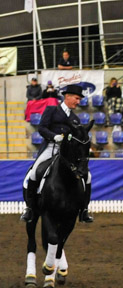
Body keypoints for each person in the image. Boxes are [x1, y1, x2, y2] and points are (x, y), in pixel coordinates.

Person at [20, 84, 93, 223]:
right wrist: (54, 137)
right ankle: (29, 208)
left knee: (87, 176)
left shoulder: (75, 119)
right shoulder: (52, 110)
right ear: (68, 97)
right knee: (34, 172)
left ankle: (84, 210)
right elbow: (42, 128)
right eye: (77, 98)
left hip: (67, 152)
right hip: (51, 147)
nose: (78, 102)